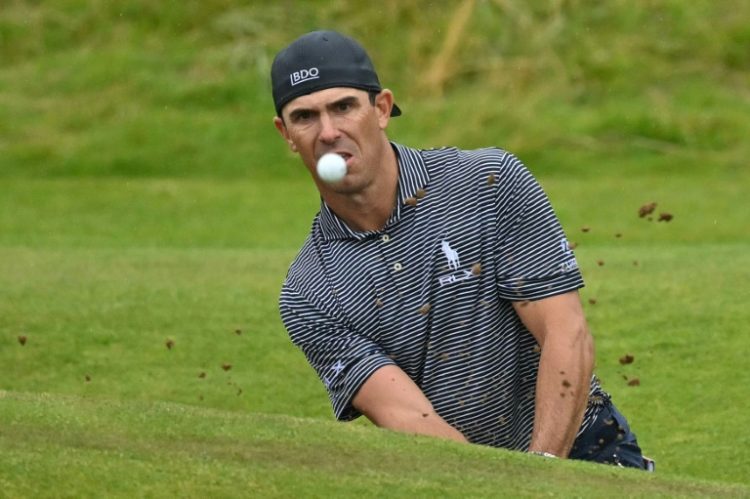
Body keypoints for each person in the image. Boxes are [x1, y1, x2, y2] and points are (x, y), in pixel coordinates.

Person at [271, 30, 651, 470]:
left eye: (344, 107)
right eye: (305, 117)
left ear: (381, 109)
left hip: (587, 448)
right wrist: (498, 487)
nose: (329, 132)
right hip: (465, 476)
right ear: (286, 133)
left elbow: (566, 333)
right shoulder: (309, 294)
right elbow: (408, 416)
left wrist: (543, 472)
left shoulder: (488, 182)